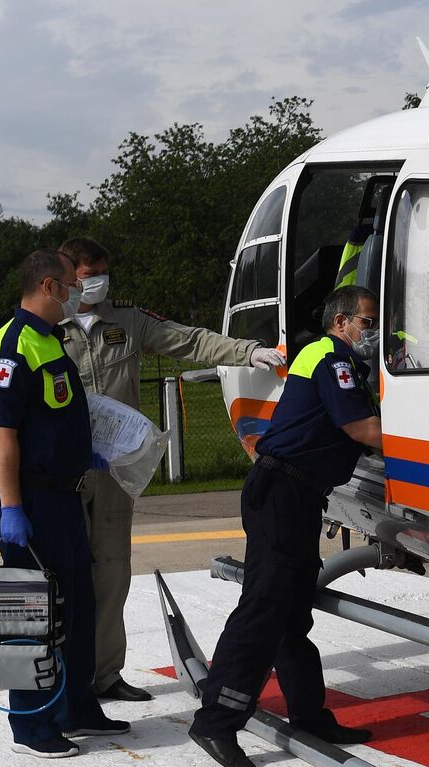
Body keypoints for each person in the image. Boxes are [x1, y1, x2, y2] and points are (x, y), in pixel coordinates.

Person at [55, 237, 286, 703]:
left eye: (102, 271)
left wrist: (248, 352)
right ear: (66, 277)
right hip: (65, 469)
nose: (97, 281)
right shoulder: (47, 328)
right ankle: (64, 680)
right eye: (87, 274)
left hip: (117, 467)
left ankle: (104, 675)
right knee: (64, 575)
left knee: (113, 571)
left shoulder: (129, 320)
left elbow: (191, 340)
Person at [190, 286, 384, 767]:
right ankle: (215, 723)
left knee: (292, 614)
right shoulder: (330, 356)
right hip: (283, 492)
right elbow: (361, 429)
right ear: (341, 322)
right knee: (263, 610)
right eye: (368, 322)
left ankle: (308, 715)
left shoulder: (342, 361)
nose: (374, 332)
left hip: (297, 496)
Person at [0, 249, 130, 758]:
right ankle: (31, 728)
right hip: (30, 501)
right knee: (30, 615)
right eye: (70, 283)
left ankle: (77, 706)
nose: (78, 291)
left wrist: (82, 453)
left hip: (64, 497)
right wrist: (12, 508)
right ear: (49, 285)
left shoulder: (50, 341)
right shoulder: (12, 348)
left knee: (78, 607)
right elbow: (1, 435)